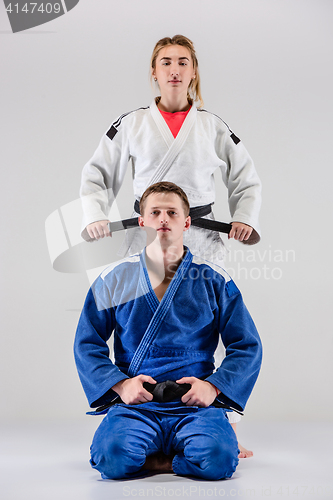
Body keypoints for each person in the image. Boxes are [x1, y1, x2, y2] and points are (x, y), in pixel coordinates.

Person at [80, 34, 262, 453]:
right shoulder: (132, 124)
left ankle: (216, 411)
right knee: (138, 318)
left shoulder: (212, 125)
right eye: (166, 62)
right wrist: (95, 216)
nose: (175, 69)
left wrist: (243, 219)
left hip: (202, 234)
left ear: (194, 71)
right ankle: (131, 404)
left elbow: (246, 179)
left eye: (183, 62)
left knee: (207, 318)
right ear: (154, 73)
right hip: (147, 230)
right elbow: (96, 175)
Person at [74, 182, 262, 480]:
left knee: (219, 460)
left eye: (172, 213)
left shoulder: (213, 278)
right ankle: (172, 459)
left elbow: (247, 345)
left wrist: (212, 388)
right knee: (110, 459)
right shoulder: (114, 278)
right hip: (138, 403)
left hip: (194, 404)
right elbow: (87, 343)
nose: (163, 219)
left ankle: (154, 461)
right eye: (155, 212)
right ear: (142, 221)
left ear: (186, 222)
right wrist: (122, 386)